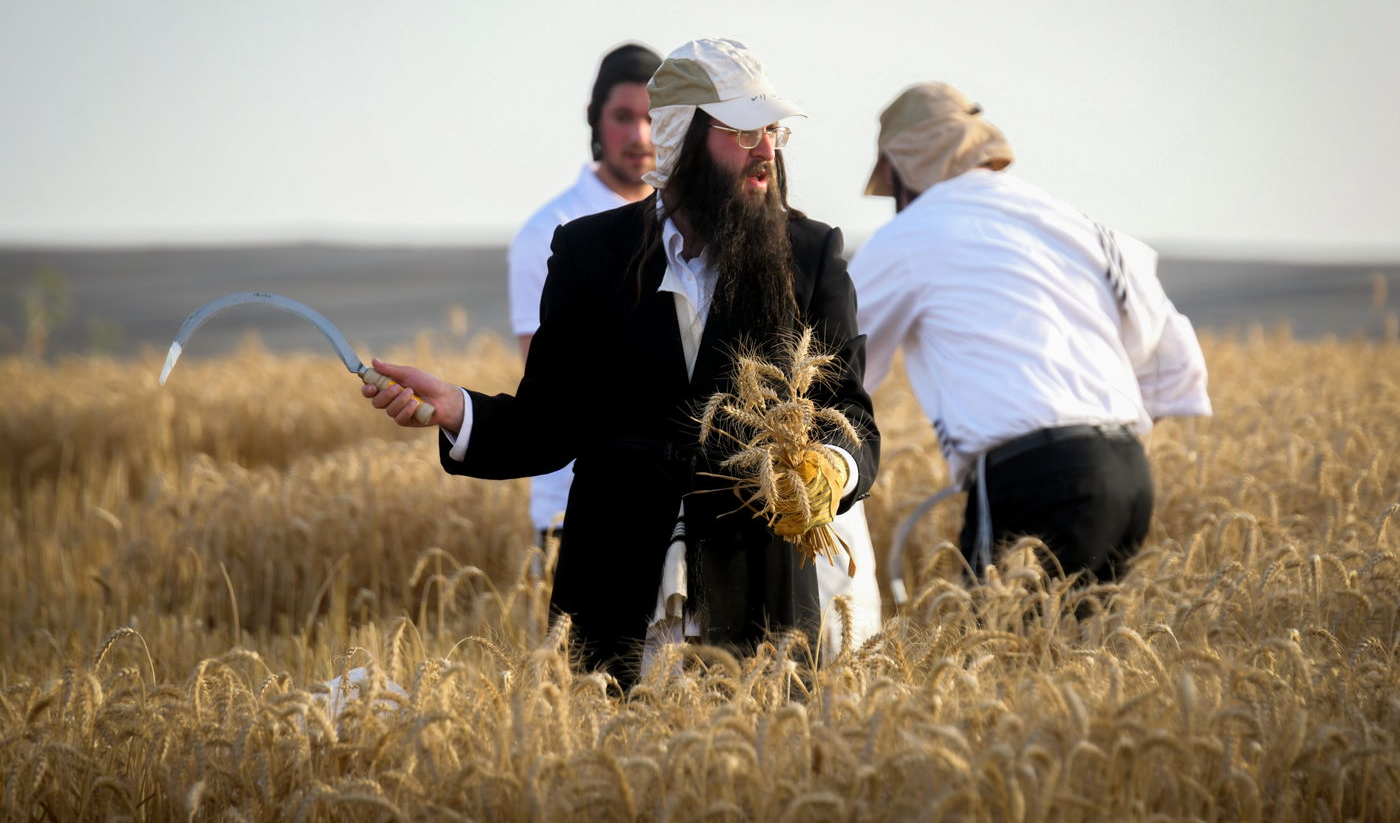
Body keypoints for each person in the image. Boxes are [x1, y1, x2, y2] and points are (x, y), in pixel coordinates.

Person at [364, 39, 879, 685]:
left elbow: (849, 414)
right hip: (613, 594)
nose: (767, 151)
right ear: (681, 135)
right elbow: (551, 422)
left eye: (772, 130)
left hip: (760, 603)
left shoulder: (811, 254)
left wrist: (831, 467)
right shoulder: (589, 253)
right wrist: (459, 411)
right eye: (744, 130)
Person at [848, 82, 1211, 585]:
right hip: (1129, 474)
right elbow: (1180, 366)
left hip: (1033, 477)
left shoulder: (909, 236)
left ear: (903, 168)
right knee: (1081, 657)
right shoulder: (1081, 225)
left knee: (1001, 656)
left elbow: (833, 364)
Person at [509, 43, 662, 544]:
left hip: (674, 501)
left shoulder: (688, 226)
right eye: (623, 117)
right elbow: (550, 379)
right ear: (593, 120)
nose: (639, 135)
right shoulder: (549, 231)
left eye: (652, 117)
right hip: (574, 501)